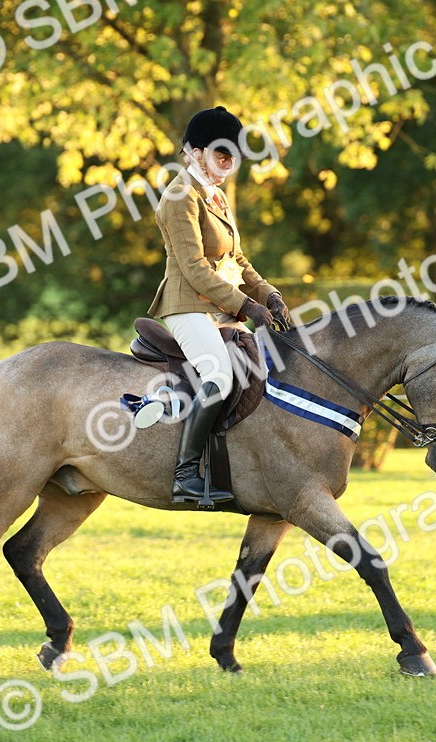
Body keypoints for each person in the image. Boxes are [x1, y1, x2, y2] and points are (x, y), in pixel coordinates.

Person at [150, 105, 292, 505]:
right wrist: (249, 307)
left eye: (233, 155)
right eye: (220, 154)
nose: (228, 163)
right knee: (220, 376)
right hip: (188, 306)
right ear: (195, 153)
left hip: (222, 308)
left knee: (266, 369)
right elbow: (195, 268)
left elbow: (238, 261)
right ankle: (184, 475)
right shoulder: (180, 196)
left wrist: (269, 295)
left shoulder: (217, 196)